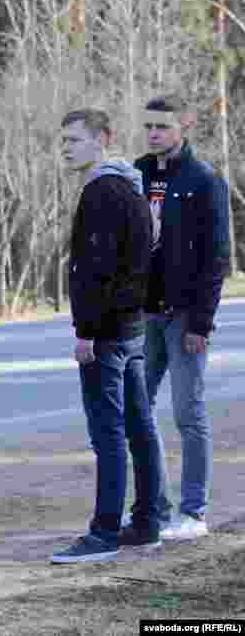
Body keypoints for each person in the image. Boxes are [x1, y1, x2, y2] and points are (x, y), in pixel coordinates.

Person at [49, 109, 163, 563]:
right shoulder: (132, 187)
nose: (67, 147)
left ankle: (103, 533)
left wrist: (87, 333)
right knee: (139, 427)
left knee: (109, 434)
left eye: (76, 139)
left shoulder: (100, 191)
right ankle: (148, 521)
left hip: (109, 334)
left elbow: (96, 271)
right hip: (132, 327)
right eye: (64, 140)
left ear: (103, 140)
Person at [130, 94, 231, 540]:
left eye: (163, 126)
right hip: (143, 315)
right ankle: (152, 507)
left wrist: (201, 323)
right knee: (137, 410)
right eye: (149, 126)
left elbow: (217, 258)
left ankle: (193, 512)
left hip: (185, 315)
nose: (154, 133)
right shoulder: (138, 173)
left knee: (188, 414)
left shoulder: (204, 180)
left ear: (184, 126)